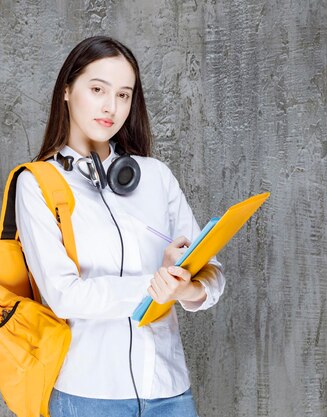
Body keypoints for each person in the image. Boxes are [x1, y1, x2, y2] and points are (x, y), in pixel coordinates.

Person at [15, 36, 225, 417]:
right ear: (67, 90)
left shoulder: (156, 176)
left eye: (124, 95)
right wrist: (153, 286)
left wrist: (185, 288)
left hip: (170, 392)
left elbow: (213, 276)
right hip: (88, 394)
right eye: (97, 89)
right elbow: (64, 294)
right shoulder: (37, 184)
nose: (111, 107)